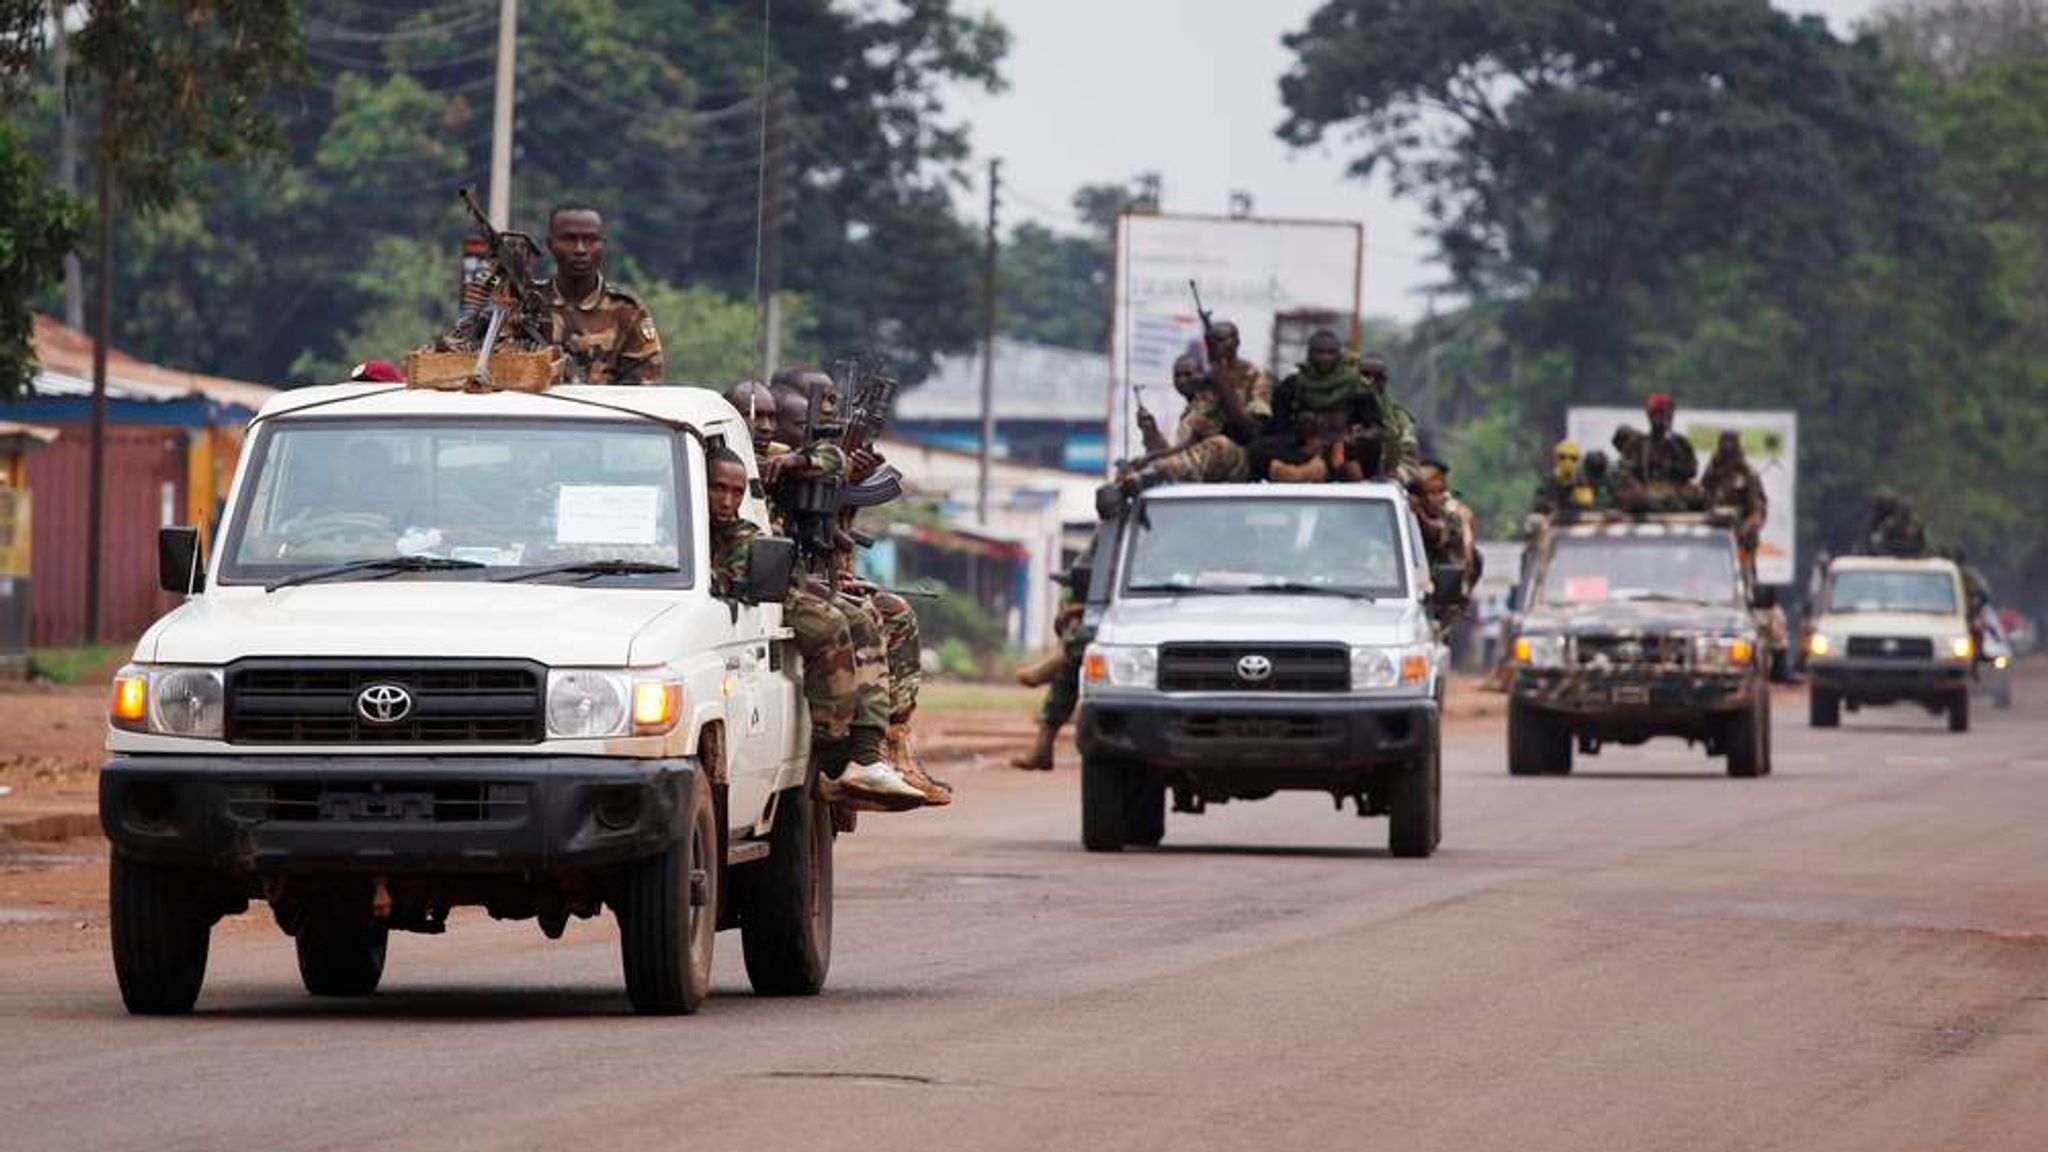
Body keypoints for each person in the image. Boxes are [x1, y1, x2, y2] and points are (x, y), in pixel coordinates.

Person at [762, 371, 950, 806]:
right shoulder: (758, 461)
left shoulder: (811, 460)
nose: (831, 410)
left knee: (894, 611)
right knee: (852, 619)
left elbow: (827, 535)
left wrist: (841, 489)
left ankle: (891, 744)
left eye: (833, 400)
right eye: (821, 402)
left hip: (814, 578)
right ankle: (852, 753)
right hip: (781, 585)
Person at [705, 445, 926, 811]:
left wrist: (798, 461)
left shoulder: (776, 469)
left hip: (794, 589)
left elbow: (834, 458)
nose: (727, 500)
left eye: (735, 492)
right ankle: (839, 758)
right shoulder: (686, 507)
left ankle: (871, 751)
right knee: (832, 623)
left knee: (864, 616)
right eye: (718, 489)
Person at [1096, 321, 1272, 516]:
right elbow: (1184, 454)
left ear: (1237, 341)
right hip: (1200, 473)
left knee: (1218, 444)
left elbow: (1253, 431)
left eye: (1223, 340)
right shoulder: (1200, 399)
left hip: (1239, 462)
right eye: (1212, 342)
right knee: (1136, 467)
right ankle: (1121, 505)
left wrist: (1224, 388)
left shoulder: (1253, 377)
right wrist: (1151, 436)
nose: (1183, 381)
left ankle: (1147, 479)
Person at [1254, 334, 1420, 484]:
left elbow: (1376, 427)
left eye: (1330, 353)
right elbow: (1278, 426)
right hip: (1302, 447)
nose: (1325, 358)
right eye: (1319, 352)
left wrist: (1356, 437)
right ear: (1310, 354)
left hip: (1345, 450)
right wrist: (1303, 439)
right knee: (1259, 448)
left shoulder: (1357, 387)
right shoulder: (1292, 385)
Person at [537, 201, 665, 385]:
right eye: (569, 239)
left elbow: (648, 382)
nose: (580, 249)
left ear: (602, 244)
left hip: (607, 413)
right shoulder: (527, 305)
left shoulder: (628, 310)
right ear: (550, 244)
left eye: (590, 240)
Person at [1701, 430, 1768, 577]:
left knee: (1742, 577)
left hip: (1741, 541)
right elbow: (1702, 499)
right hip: (1713, 539)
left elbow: (1758, 511)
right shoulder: (1712, 474)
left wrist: (1745, 528)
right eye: (1724, 445)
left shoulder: (1747, 475)